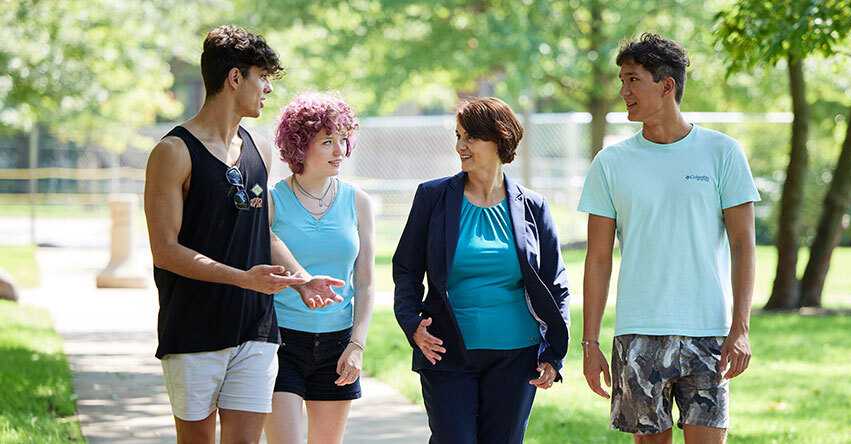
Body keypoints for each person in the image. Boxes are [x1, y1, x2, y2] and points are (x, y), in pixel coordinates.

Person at [144, 26, 344, 444]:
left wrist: (302, 278)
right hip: (194, 329)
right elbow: (165, 251)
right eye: (262, 76)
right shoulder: (173, 152)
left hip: (256, 330)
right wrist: (243, 278)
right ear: (235, 78)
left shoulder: (258, 149)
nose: (268, 88)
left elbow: (262, 232)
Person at [578, 33, 760, 444]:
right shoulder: (610, 164)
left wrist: (741, 327)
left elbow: (743, 244)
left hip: (709, 331)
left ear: (666, 85)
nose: (623, 91)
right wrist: (590, 343)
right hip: (638, 332)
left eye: (632, 80)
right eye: (621, 81)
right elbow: (598, 259)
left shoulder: (723, 153)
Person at [393, 97, 571, 444]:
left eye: (470, 137)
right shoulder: (433, 197)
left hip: (517, 356)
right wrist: (412, 324)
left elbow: (555, 284)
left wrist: (554, 353)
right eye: (458, 136)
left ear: (499, 139)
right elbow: (406, 269)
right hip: (446, 350)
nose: (461, 146)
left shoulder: (533, 206)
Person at [263, 92, 375, 444]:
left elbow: (367, 282)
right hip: (281, 341)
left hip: (338, 345)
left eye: (343, 139)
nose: (339, 150)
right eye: (327, 141)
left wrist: (357, 344)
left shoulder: (358, 201)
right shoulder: (272, 200)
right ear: (299, 145)